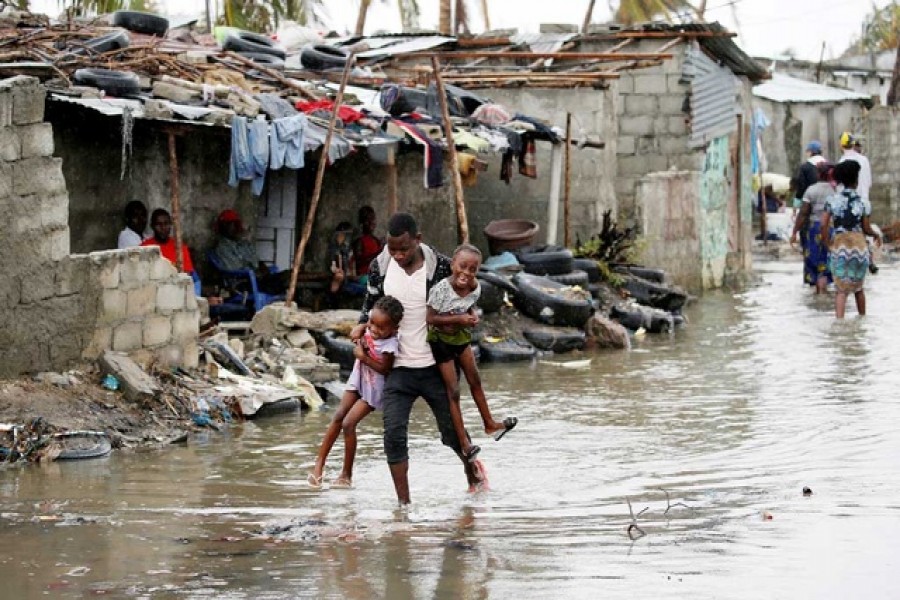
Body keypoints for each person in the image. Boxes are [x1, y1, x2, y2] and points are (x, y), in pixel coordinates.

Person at [351, 212, 487, 505]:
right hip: (398, 368)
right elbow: (371, 301)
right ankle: (404, 506)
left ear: (418, 240)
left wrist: (469, 316)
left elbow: (466, 295)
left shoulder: (440, 267)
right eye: (392, 248)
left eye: (404, 248)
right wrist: (362, 323)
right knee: (393, 437)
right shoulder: (381, 265)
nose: (398, 255)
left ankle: (473, 475)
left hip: (435, 365)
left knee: (451, 435)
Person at [426, 243, 517, 462]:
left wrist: (471, 316)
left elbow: (468, 305)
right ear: (452, 265)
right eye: (462, 266)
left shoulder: (475, 288)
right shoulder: (440, 289)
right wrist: (459, 319)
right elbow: (430, 318)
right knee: (454, 392)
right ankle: (464, 444)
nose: (466, 273)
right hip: (441, 342)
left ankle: (490, 424)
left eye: (472, 269)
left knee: (475, 380)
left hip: (460, 338)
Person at [308, 295, 404, 489]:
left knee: (349, 424)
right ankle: (319, 464)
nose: (374, 330)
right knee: (338, 415)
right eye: (372, 323)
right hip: (358, 376)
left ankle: (346, 474)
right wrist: (361, 327)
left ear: (394, 329)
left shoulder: (389, 345)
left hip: (374, 388)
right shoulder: (370, 324)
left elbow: (385, 370)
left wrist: (363, 356)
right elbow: (358, 330)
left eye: (380, 328)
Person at [821, 161, 882, 318]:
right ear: (856, 180)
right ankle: (862, 322)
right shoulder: (863, 202)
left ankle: (840, 326)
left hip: (840, 245)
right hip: (859, 246)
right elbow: (866, 228)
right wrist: (876, 235)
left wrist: (826, 242)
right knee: (859, 288)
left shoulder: (832, 200)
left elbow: (824, 225)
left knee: (841, 290)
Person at [213, 209, 290, 295]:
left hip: (259, 279)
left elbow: (255, 260)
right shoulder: (222, 248)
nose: (235, 227)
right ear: (223, 226)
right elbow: (235, 268)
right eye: (231, 224)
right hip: (244, 283)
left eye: (236, 224)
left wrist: (261, 265)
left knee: (289, 274)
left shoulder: (244, 244)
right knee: (284, 281)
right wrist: (256, 271)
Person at [790, 162, 835, 293]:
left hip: (813, 229)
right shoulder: (835, 191)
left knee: (813, 259)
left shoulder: (811, 190)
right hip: (830, 228)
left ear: (818, 174)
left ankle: (817, 294)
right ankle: (824, 291)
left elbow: (803, 213)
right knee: (827, 259)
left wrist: (794, 232)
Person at [838, 133, 877, 275]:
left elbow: (840, 187)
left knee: (848, 232)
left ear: (841, 145)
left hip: (848, 203)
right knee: (866, 230)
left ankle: (848, 262)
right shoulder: (864, 160)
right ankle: (870, 260)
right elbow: (869, 183)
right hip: (864, 202)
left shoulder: (842, 161)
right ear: (854, 144)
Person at [141, 208, 194, 274]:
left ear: (170, 225)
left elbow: (187, 273)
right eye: (158, 224)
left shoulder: (180, 247)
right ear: (152, 226)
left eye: (166, 224)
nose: (163, 228)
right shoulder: (144, 248)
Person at [326, 221, 365, 308]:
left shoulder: (347, 250)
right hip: (339, 281)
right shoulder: (334, 248)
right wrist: (337, 270)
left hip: (347, 280)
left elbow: (351, 268)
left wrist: (352, 275)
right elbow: (332, 265)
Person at [792, 140, 827, 212]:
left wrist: (796, 204)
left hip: (810, 203)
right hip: (826, 202)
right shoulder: (828, 165)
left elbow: (801, 187)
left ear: (811, 152)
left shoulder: (805, 167)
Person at [353, 205, 383, 285]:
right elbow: (359, 262)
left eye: (372, 219)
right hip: (364, 276)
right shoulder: (359, 241)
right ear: (362, 223)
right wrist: (377, 254)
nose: (371, 222)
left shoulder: (376, 241)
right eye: (367, 220)